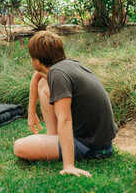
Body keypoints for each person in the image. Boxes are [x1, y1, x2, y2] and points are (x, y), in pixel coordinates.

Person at [13, 32, 118, 177]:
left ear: (37, 60)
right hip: (102, 143)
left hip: (92, 147)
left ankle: (61, 151)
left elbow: (65, 119)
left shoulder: (57, 74)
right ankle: (53, 138)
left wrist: (69, 165)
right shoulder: (67, 65)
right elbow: (37, 75)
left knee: (19, 147)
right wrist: (31, 113)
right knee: (43, 84)